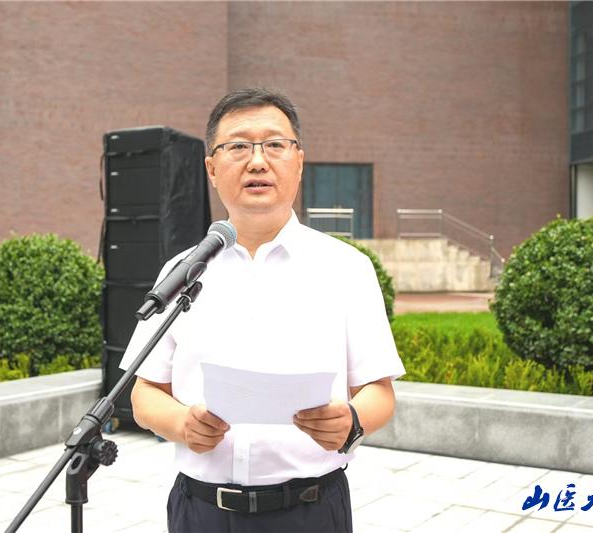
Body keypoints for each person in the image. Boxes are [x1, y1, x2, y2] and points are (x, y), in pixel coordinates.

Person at [119, 88, 405, 533]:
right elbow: (144, 393)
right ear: (212, 169)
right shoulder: (181, 272)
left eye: (274, 144)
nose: (257, 161)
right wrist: (181, 423)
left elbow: (379, 392)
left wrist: (351, 420)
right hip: (202, 511)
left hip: (311, 510)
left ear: (299, 162)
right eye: (238, 146)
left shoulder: (347, 268)